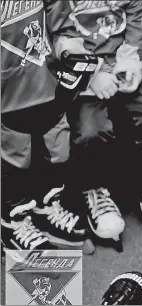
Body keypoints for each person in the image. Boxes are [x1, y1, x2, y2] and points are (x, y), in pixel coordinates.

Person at [47, 0, 142, 247]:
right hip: (84, 74)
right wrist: (92, 74)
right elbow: (59, 33)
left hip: (129, 64)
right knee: (90, 130)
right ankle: (95, 193)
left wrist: (131, 63)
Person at [1, 0, 93, 252]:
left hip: (45, 80)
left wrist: (72, 51)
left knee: (54, 144)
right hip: (5, 91)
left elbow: (62, 23)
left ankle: (43, 208)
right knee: (13, 154)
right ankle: (12, 222)